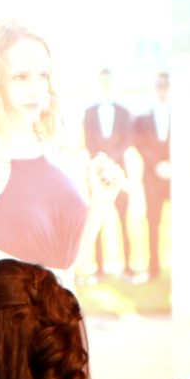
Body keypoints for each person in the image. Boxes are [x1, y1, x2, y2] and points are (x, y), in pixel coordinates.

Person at [0, 20, 121, 314]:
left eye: (42, 76)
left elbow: (67, 265)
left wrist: (101, 201)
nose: (35, 90)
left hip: (68, 335)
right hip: (7, 340)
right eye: (20, 77)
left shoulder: (64, 159)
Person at [82, 69, 136, 279]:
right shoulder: (89, 112)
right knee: (97, 220)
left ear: (111, 82)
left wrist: (112, 161)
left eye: (108, 80)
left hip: (119, 173)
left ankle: (128, 266)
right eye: (102, 80)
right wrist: (102, 163)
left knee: (123, 219)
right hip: (96, 174)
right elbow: (88, 141)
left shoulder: (123, 112)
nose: (105, 83)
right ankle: (99, 268)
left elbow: (128, 140)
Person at [133, 71, 171, 280]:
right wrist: (158, 164)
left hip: (177, 177)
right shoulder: (143, 117)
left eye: (165, 85)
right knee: (153, 223)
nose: (162, 88)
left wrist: (172, 164)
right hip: (152, 177)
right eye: (159, 85)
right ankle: (153, 267)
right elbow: (139, 143)